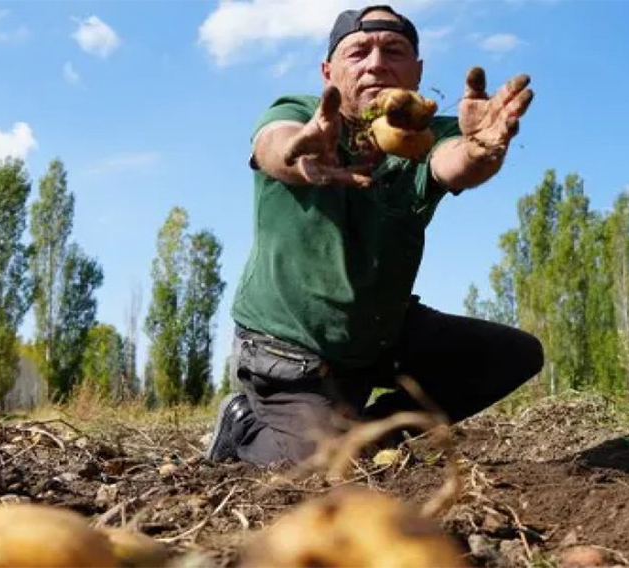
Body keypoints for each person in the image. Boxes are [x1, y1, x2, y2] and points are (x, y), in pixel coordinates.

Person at [206, 4, 543, 466]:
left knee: (512, 355)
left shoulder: (424, 137)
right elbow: (274, 144)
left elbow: (455, 160)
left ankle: (369, 437)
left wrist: (481, 150)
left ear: (418, 71)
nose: (377, 63)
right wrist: (297, 152)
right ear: (329, 71)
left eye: (394, 51)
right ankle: (244, 420)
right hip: (290, 351)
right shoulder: (301, 113)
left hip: (377, 334)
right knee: (313, 471)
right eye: (358, 52)